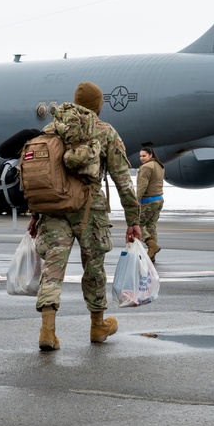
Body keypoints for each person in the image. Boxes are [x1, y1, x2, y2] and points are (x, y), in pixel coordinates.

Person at [27, 81, 141, 351]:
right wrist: (133, 220)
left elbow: (42, 173)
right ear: (98, 106)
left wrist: (36, 213)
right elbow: (123, 181)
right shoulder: (105, 131)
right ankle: (97, 326)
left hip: (54, 208)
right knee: (94, 268)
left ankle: (47, 331)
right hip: (90, 209)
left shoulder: (52, 128)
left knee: (53, 268)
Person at [136, 146, 166, 262]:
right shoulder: (159, 166)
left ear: (150, 155)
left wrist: (136, 201)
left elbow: (142, 186)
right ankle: (152, 255)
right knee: (151, 227)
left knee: (137, 225)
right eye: (140, 156)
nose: (142, 158)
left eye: (144, 156)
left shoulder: (146, 167)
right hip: (159, 200)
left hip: (148, 201)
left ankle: (151, 245)